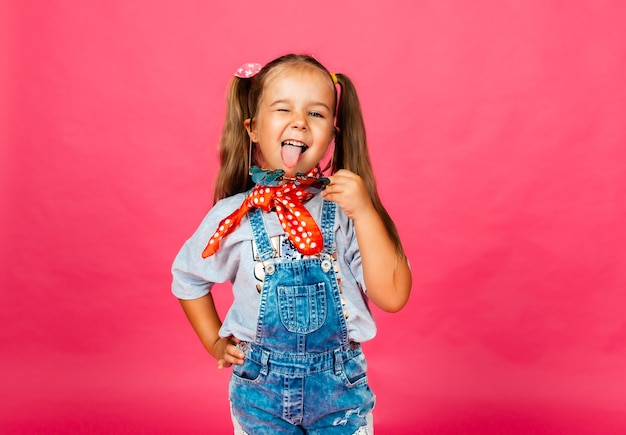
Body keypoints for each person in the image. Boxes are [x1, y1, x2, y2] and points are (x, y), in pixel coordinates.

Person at [171, 53, 412, 434]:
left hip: (339, 394)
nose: (299, 121)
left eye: (315, 114)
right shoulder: (233, 215)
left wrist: (365, 213)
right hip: (259, 394)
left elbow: (394, 296)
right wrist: (213, 342)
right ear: (252, 129)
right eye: (283, 109)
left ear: (332, 135)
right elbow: (187, 278)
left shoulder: (346, 210)